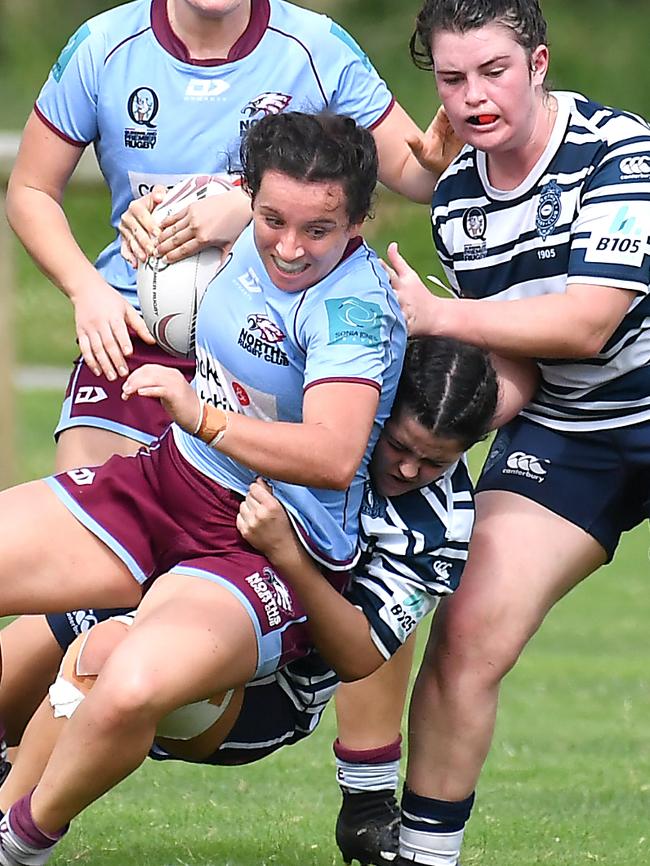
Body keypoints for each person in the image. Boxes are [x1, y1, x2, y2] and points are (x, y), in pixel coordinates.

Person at [4, 4, 460, 854]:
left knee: (122, 670)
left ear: (357, 226)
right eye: (272, 221)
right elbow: (47, 192)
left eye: (319, 230)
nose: (289, 247)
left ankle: (19, 836)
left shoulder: (352, 309)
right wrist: (124, 263)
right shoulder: (237, 213)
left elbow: (329, 456)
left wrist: (199, 410)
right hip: (166, 467)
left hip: (257, 535)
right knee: (78, 630)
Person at [0, 335, 535, 863]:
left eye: (436, 462)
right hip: (176, 589)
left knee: (104, 659)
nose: (411, 470)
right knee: (40, 652)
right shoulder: (311, 416)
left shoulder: (439, 525)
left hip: (266, 692)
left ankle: (17, 841)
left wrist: (289, 556)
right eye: (400, 446)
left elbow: (358, 656)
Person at [380, 1, 650, 864]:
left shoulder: (619, 151)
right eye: (452, 79)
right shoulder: (457, 199)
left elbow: (587, 325)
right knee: (464, 635)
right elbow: (522, 361)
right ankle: (425, 856)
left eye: (493, 71)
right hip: (571, 433)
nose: (472, 97)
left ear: (538, 64)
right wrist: (439, 422)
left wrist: (441, 316)